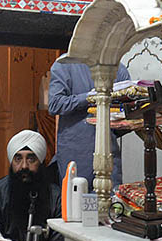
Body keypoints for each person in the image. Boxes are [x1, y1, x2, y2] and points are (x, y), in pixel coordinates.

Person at [0, 130, 64, 241]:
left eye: (31, 159)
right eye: (18, 159)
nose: (24, 166)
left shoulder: (56, 196)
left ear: (40, 161)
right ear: (11, 161)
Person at [48, 59, 130, 187]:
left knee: (111, 197)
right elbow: (55, 104)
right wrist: (89, 97)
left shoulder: (118, 69)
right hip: (75, 154)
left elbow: (127, 111)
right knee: (76, 197)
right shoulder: (64, 64)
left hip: (109, 154)